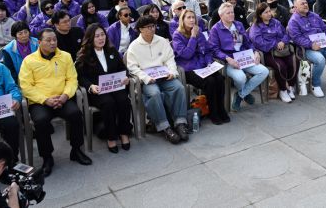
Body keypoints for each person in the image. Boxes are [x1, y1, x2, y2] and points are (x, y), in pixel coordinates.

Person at [19, 28, 91, 176]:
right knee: (41, 120)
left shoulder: (65, 56)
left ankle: (76, 150)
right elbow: (26, 86)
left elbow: (72, 79)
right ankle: (47, 157)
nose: (52, 43)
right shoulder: (29, 60)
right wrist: (45, 100)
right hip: (40, 101)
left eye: (54, 40)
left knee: (76, 114)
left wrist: (65, 95)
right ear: (39, 42)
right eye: (48, 40)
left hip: (62, 97)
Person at [126, 16, 189, 144]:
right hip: (148, 79)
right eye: (148, 27)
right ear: (140, 30)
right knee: (154, 93)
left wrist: (172, 72)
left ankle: (180, 122)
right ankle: (164, 127)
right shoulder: (134, 46)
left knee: (179, 87)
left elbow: (170, 59)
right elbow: (132, 68)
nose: (152, 29)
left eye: (153, 26)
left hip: (164, 76)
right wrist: (146, 78)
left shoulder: (162, 41)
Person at [75, 25, 133, 153]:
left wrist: (126, 77)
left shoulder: (112, 51)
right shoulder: (84, 55)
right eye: (97, 36)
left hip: (115, 86)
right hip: (98, 90)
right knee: (108, 103)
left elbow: (122, 68)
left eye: (102, 35)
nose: (101, 38)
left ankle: (124, 133)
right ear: (90, 38)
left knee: (124, 100)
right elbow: (80, 76)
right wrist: (90, 86)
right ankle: (111, 137)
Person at [208, 2, 270, 111]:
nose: (232, 14)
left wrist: (255, 51)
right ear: (221, 15)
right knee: (241, 78)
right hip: (229, 61)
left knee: (264, 71)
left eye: (232, 12)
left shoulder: (238, 25)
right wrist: (227, 58)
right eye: (228, 13)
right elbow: (214, 49)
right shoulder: (215, 29)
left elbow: (247, 42)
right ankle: (245, 94)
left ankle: (240, 94)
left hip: (243, 57)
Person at [171, 9, 230, 124]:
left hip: (203, 66)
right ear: (182, 20)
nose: (192, 20)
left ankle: (221, 109)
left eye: (193, 17)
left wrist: (208, 63)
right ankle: (213, 112)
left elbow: (207, 51)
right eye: (188, 17)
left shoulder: (200, 33)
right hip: (188, 68)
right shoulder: (177, 35)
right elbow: (186, 54)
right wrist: (193, 37)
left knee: (219, 79)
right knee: (210, 82)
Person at [287, 0, 326, 97]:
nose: (305, 5)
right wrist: (310, 45)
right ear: (295, 7)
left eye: (306, 2)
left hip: (324, 45)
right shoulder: (293, 21)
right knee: (320, 60)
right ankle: (315, 85)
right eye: (302, 4)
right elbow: (297, 38)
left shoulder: (315, 16)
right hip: (307, 49)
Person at [248, 3, 297, 103]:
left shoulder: (275, 22)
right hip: (267, 52)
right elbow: (258, 42)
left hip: (282, 49)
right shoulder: (256, 26)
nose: (269, 14)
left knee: (294, 61)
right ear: (260, 14)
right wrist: (275, 44)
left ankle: (290, 86)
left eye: (270, 11)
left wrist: (283, 41)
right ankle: (283, 90)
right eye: (266, 12)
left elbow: (286, 34)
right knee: (281, 66)